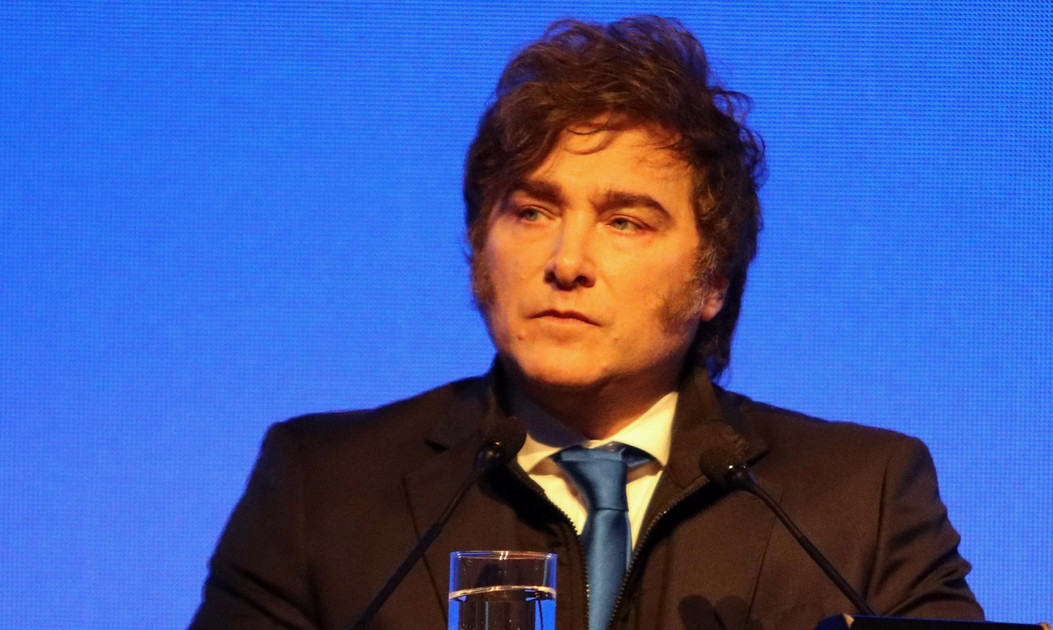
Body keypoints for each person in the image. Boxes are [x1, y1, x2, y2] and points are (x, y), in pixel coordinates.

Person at [190, 15, 983, 630]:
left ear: (713, 281)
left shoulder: (859, 501)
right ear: (479, 247)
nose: (566, 261)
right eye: (532, 211)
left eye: (625, 221)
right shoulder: (323, 489)